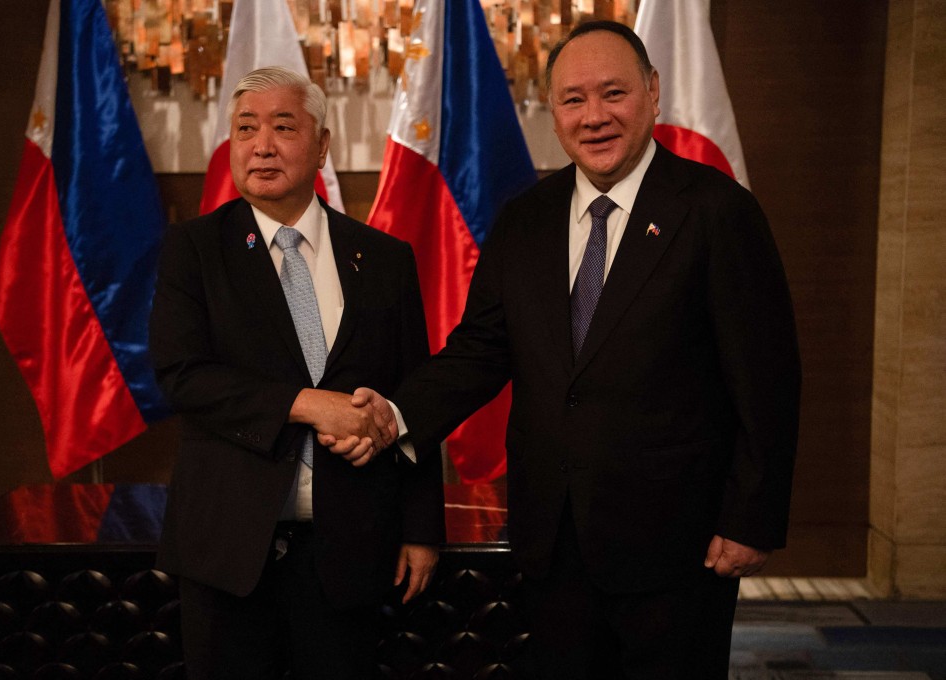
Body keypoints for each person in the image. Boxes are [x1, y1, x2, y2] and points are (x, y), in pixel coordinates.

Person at [329, 20, 801, 678]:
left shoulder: (718, 212)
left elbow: (768, 379)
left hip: (677, 546)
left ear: (654, 92)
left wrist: (752, 518)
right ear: (553, 111)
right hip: (552, 541)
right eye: (574, 99)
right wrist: (393, 414)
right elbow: (480, 352)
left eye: (614, 93)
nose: (595, 116)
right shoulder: (525, 218)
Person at [149, 66, 445, 680]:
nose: (262, 144)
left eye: (283, 127)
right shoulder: (196, 249)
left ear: (321, 145)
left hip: (349, 550)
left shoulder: (385, 259)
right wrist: (308, 404)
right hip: (228, 550)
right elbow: (182, 375)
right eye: (246, 128)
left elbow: (415, 396)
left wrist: (423, 529)